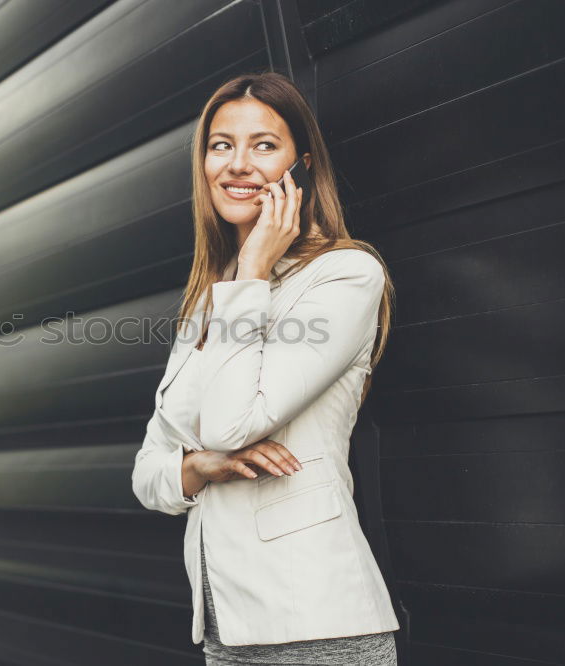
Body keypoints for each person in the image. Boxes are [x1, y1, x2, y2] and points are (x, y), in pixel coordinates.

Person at [131, 71, 400, 665]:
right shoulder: (209, 300)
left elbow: (231, 426)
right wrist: (198, 466)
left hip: (317, 624)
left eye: (264, 145)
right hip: (225, 629)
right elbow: (149, 474)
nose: (237, 164)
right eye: (221, 145)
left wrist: (251, 268)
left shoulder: (345, 276)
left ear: (300, 166)